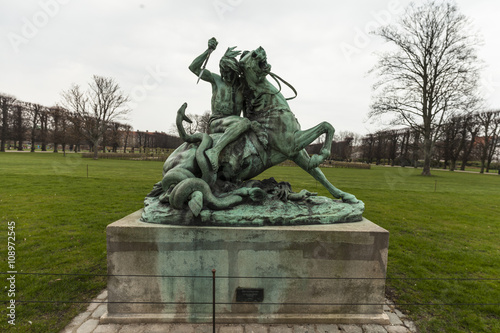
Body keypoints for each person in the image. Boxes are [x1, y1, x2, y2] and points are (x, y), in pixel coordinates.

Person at [189, 37, 251, 171]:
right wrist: (208, 51)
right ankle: (214, 151)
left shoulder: (242, 87)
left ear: (235, 71)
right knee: (244, 123)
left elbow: (246, 112)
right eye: (224, 72)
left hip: (234, 124)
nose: (226, 76)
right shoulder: (216, 80)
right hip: (217, 122)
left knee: (247, 124)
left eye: (230, 73)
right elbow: (193, 68)